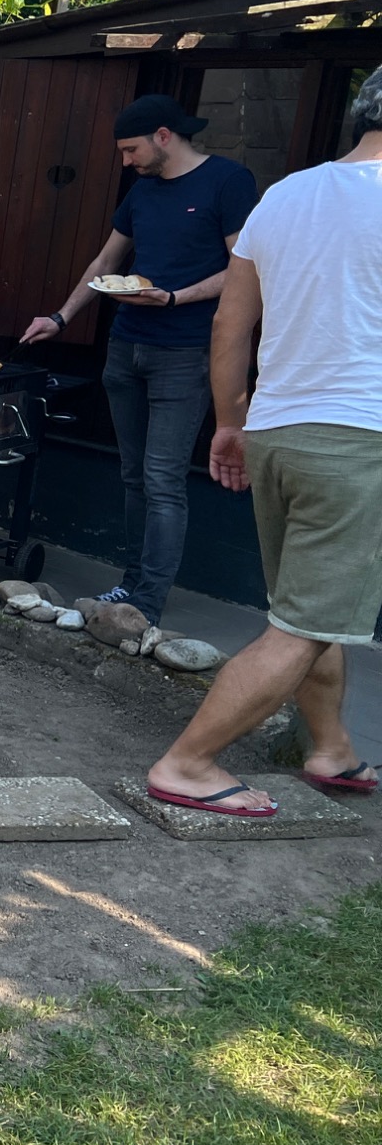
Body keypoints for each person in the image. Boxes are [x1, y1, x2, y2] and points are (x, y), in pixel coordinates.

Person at [144, 70, 382, 816]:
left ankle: (331, 749)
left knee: (306, 610)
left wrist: (230, 422)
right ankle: (188, 764)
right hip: (359, 438)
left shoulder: (284, 195)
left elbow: (230, 323)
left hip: (278, 428)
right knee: (303, 624)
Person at [21, 95, 258, 625]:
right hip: (126, 344)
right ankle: (130, 585)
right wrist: (61, 317)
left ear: (164, 135)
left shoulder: (227, 181)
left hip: (186, 351)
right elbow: (106, 260)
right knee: (134, 476)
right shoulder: (143, 189)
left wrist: (174, 298)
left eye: (131, 150)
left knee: (162, 477)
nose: (127, 161)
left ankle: (147, 602)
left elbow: (244, 268)